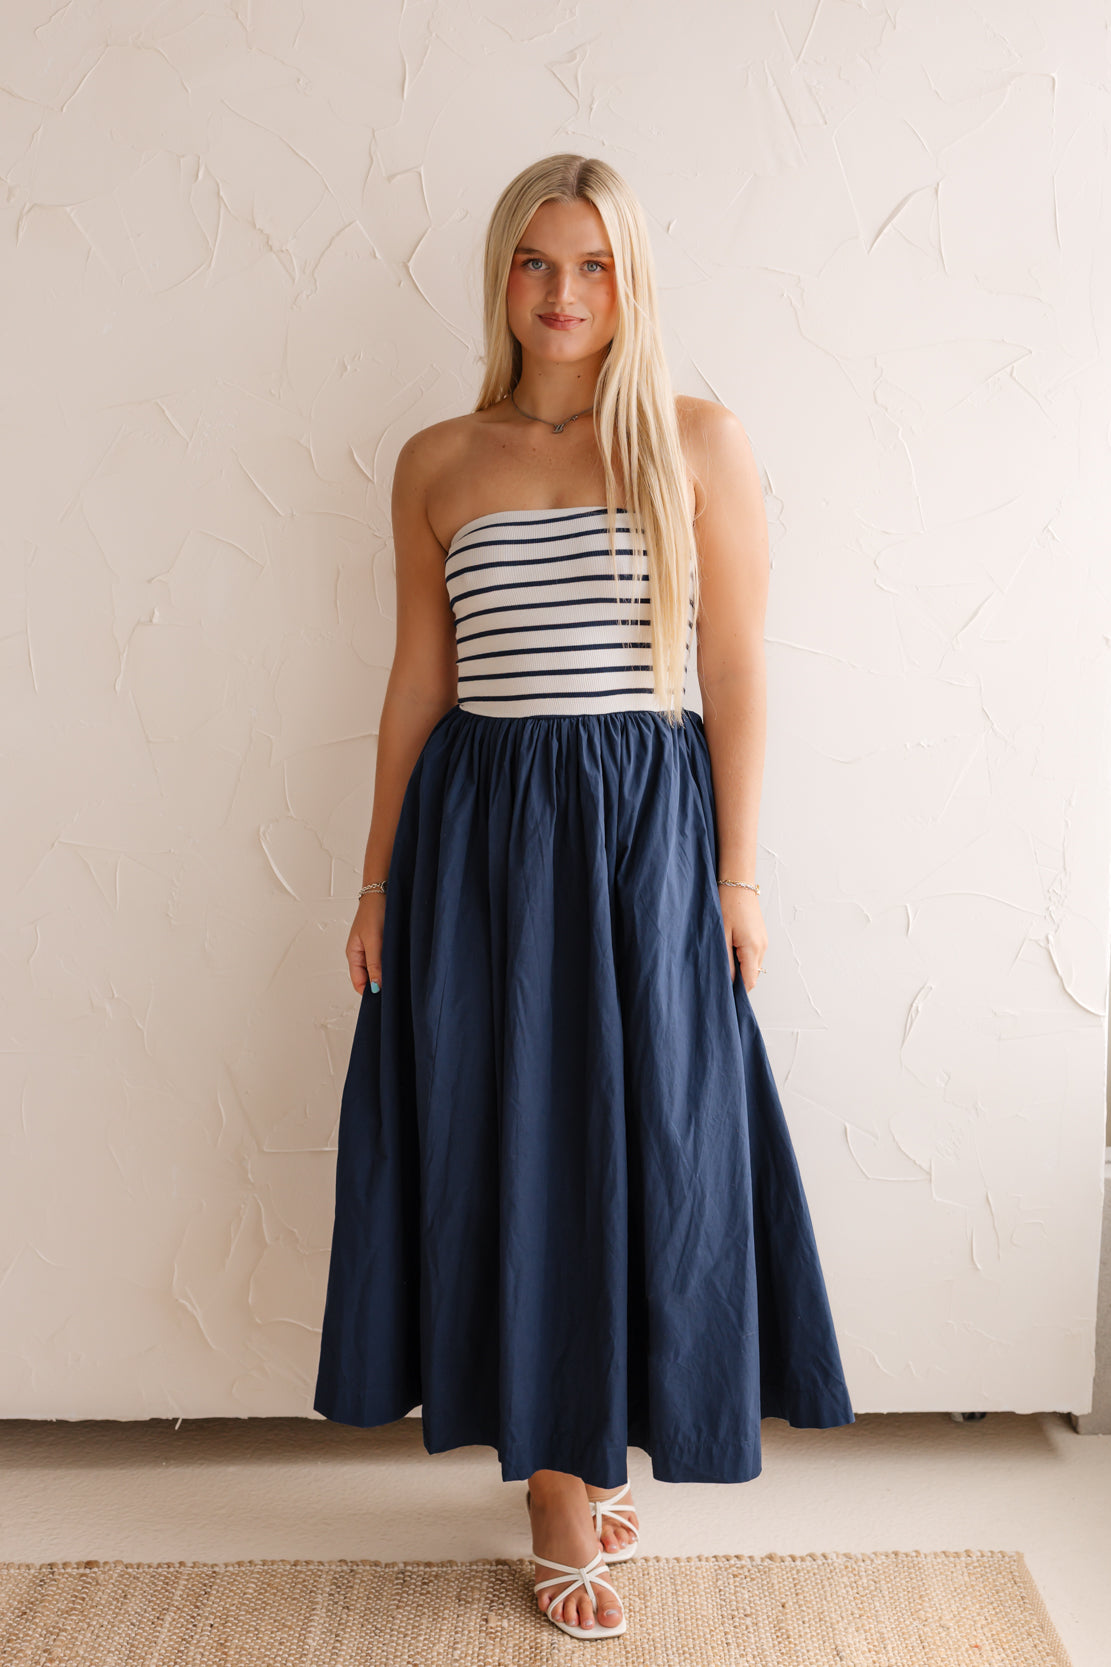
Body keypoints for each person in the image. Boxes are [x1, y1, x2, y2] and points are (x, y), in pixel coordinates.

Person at [313, 152, 854, 1642]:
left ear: (631, 281)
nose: (565, 293)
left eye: (595, 264)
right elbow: (418, 682)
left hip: (646, 836)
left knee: (656, 1142)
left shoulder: (696, 439)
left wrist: (739, 876)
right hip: (483, 843)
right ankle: (559, 1492)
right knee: (518, 1143)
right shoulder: (437, 461)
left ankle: (606, 1433)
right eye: (537, 262)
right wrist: (375, 876)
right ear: (502, 277)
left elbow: (733, 668)